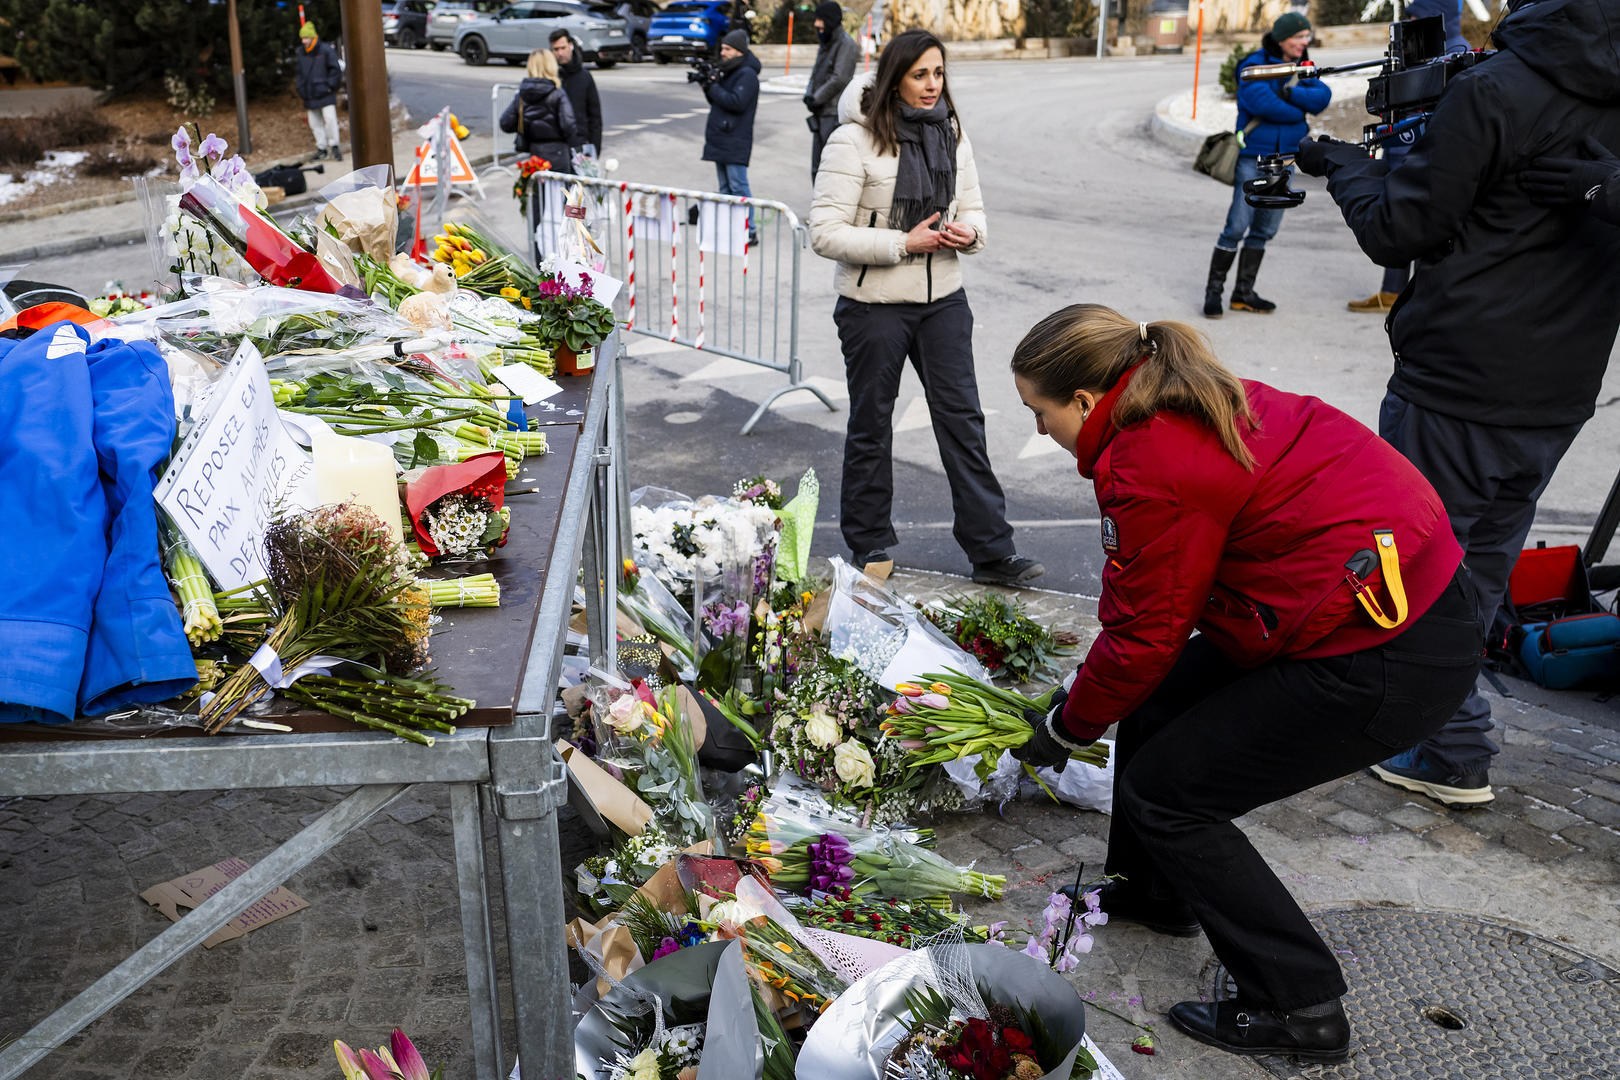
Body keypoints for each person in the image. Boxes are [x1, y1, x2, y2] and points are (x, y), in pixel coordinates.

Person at [1008, 304, 1479, 1063]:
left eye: (1040, 410)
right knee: (1159, 703)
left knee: (1173, 795)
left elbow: (1145, 632)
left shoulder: (1149, 463)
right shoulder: (1180, 395)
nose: (1038, 431)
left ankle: (1301, 1007)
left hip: (1385, 650)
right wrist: (1093, 701)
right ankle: (1155, 893)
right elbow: (1153, 635)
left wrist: (1068, 725)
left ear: (1089, 401)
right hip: (1359, 602)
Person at [1295, 0, 1620, 805]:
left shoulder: (1496, 88)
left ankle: (1442, 743)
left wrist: (1342, 164)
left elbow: (1399, 229)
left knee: (1411, 570)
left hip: (1457, 383)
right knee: (1475, 570)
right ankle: (1449, 735)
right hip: (1558, 394)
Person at [809, 29, 1042, 587]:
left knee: (964, 423)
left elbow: (979, 210)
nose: (933, 85)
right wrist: (901, 244)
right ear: (895, 78)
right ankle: (870, 544)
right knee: (872, 425)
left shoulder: (952, 133)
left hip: (944, 303)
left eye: (939, 73)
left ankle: (991, 552)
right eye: (920, 74)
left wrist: (969, 233)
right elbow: (823, 233)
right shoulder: (853, 140)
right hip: (874, 307)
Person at [1345, 0, 1470, 314]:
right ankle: (1392, 291)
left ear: (1435, 17)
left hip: (1424, 157)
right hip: (1400, 150)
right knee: (1398, 224)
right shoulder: (1417, 51)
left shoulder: (1457, 54)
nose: (1410, 20)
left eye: (1416, 15)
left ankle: (1420, 300)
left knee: (1420, 230)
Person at [1202, 12, 1329, 318]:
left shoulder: (1304, 66)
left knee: (1265, 229)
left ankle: (1242, 294)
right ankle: (1214, 293)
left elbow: (1322, 97)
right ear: (1282, 37)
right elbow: (1264, 105)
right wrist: (1297, 106)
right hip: (1253, 159)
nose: (1304, 42)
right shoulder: (1253, 64)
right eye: (1299, 37)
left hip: (1285, 161)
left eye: (1306, 37)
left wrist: (1288, 91)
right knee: (1236, 226)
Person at [702, 30, 761, 215]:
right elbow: (717, 100)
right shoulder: (730, 70)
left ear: (739, 51)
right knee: (725, 189)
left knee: (739, 188)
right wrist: (707, 86)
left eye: (727, 49)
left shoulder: (747, 74)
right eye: (722, 48)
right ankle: (732, 229)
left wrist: (714, 87)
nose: (722, 52)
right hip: (722, 137)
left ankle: (749, 230)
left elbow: (737, 102)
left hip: (735, 139)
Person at [500, 49, 579, 175]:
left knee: (539, 192)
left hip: (535, 154)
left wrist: (524, 125)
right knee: (561, 192)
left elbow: (505, 123)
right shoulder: (557, 94)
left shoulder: (522, 95)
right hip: (558, 153)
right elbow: (569, 126)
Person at [804, 1, 857, 179]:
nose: (816, 24)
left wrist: (816, 98)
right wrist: (809, 95)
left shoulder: (846, 44)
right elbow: (816, 72)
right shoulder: (825, 42)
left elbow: (839, 77)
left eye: (820, 20)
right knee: (816, 168)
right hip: (821, 113)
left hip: (833, 115)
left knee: (830, 168)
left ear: (830, 20)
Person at [550, 29, 604, 159]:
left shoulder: (584, 76)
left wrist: (595, 149)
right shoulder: (550, 77)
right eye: (556, 49)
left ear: (571, 46)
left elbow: (595, 116)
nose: (560, 53)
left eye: (563, 48)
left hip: (580, 144)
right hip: (555, 146)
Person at [295, 22, 344, 162]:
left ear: (312, 37)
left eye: (305, 38)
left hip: (325, 92)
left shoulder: (325, 50)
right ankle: (321, 148)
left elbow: (335, 70)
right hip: (309, 93)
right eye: (302, 38)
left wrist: (330, 86)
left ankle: (334, 146)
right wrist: (301, 89)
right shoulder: (301, 52)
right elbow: (299, 73)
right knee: (315, 123)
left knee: (330, 120)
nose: (303, 41)